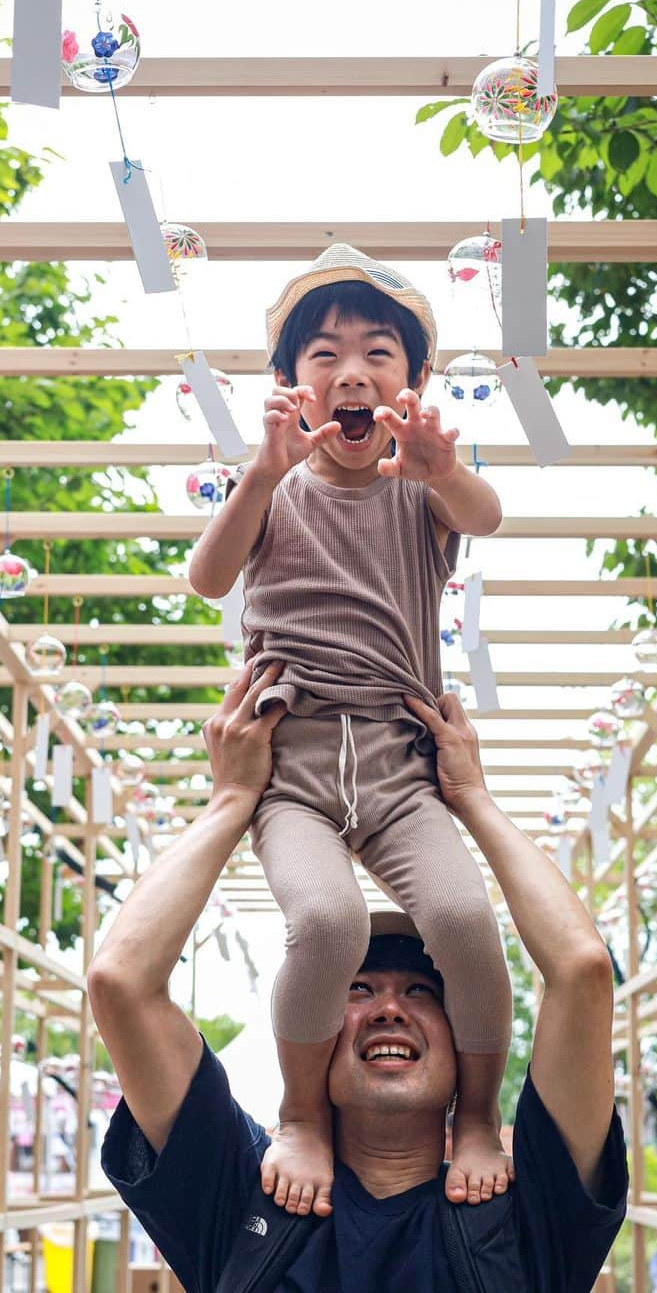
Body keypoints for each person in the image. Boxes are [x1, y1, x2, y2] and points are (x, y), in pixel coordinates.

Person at [89, 661, 628, 1292]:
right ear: (309, 1035)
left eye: (422, 989)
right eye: (356, 988)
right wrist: (233, 799)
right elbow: (121, 982)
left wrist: (474, 800)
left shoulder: (524, 1211)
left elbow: (583, 971)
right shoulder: (245, 1194)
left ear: (466, 1040)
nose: (389, 1008)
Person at [186, 244, 512, 1216]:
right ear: (291, 384)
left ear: (411, 385)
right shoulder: (273, 487)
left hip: (401, 761)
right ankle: (300, 1116)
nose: (353, 370)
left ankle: (482, 1115)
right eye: (324, 354)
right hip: (294, 763)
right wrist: (257, 474)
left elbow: (485, 517)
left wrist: (447, 470)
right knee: (325, 923)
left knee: (463, 925)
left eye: (380, 352)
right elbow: (208, 580)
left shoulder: (423, 487)